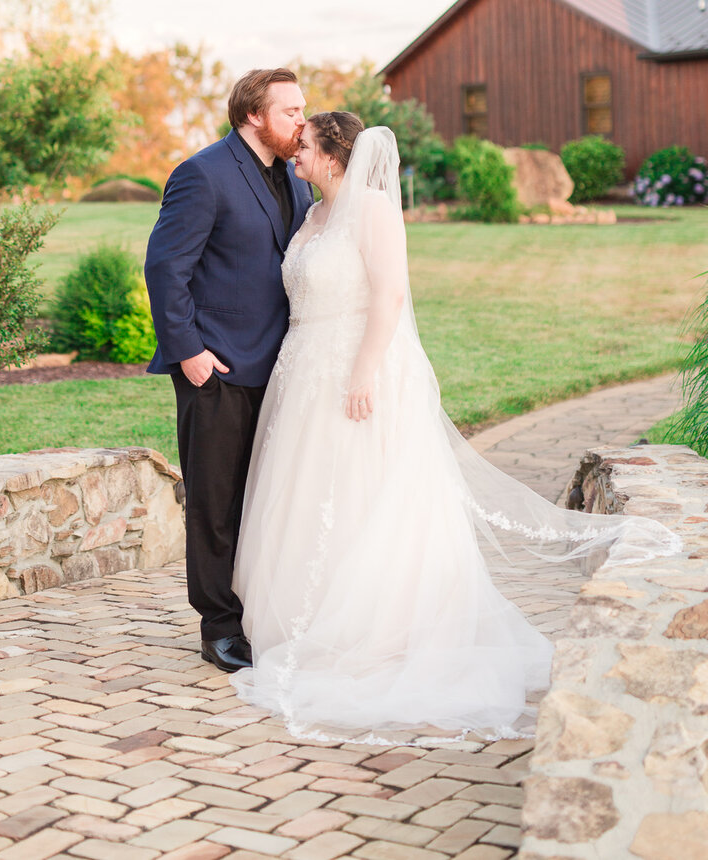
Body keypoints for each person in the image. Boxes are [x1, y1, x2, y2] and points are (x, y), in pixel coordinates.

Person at [231, 113, 682, 743]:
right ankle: (307, 622)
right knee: (307, 495)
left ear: (334, 157)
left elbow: (389, 295)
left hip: (357, 371)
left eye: (303, 146)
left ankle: (378, 628)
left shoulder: (374, 212)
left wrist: (361, 372)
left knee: (366, 493)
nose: (294, 153)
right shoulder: (311, 216)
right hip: (302, 372)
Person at [145, 68, 313, 673]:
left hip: (282, 369)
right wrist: (189, 353)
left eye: (302, 109)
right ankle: (218, 624)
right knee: (215, 504)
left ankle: (262, 613)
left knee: (266, 500)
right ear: (253, 116)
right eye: (290, 110)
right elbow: (166, 269)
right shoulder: (202, 173)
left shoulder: (297, 181)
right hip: (214, 368)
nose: (302, 120)